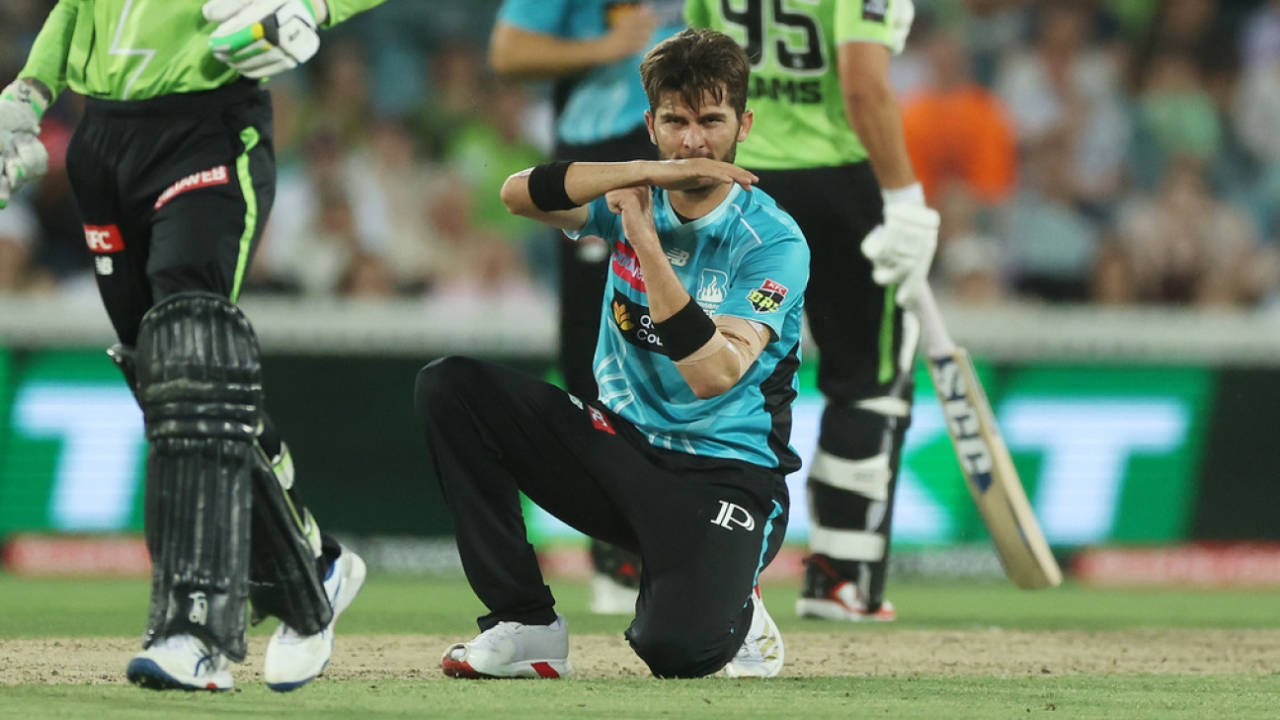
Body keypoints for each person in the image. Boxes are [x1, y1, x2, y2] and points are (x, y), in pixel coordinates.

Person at [0, 0, 388, 691]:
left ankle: (196, 629)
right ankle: (315, 567)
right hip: (103, 141)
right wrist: (29, 90)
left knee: (191, 361)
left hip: (206, 128)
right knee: (161, 379)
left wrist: (316, 6)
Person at [415, 28, 807, 679]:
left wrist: (645, 242)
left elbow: (714, 375)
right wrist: (642, 177)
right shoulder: (637, 186)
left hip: (724, 476)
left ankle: (736, 597)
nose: (694, 143)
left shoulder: (770, 240)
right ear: (650, 124)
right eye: (676, 122)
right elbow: (518, 193)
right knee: (450, 387)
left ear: (744, 123)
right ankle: (526, 623)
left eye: (712, 121)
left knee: (675, 652)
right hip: (618, 448)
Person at [686, 0, 940, 621]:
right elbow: (862, 83)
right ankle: (839, 577)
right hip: (838, 186)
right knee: (866, 380)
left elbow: (692, 64)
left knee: (724, 372)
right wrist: (904, 198)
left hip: (740, 178)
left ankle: (700, 568)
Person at [488, 0, 686, 613]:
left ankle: (683, 541)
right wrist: (612, 48)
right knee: (594, 359)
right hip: (601, 157)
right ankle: (617, 550)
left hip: (687, 161)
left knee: (688, 346)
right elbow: (509, 53)